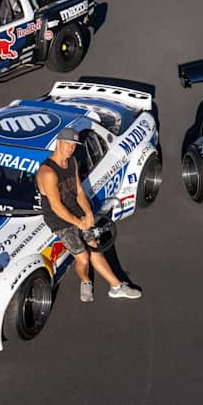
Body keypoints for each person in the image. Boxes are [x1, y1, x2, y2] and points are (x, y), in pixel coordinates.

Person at [35, 127, 142, 302]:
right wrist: (79, 222)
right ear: (58, 143)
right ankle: (85, 281)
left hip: (75, 210)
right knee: (83, 258)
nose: (71, 148)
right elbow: (56, 206)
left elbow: (78, 191)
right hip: (59, 219)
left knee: (93, 247)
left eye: (74, 145)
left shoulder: (72, 162)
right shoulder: (48, 173)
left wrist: (88, 213)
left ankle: (116, 287)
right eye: (68, 144)